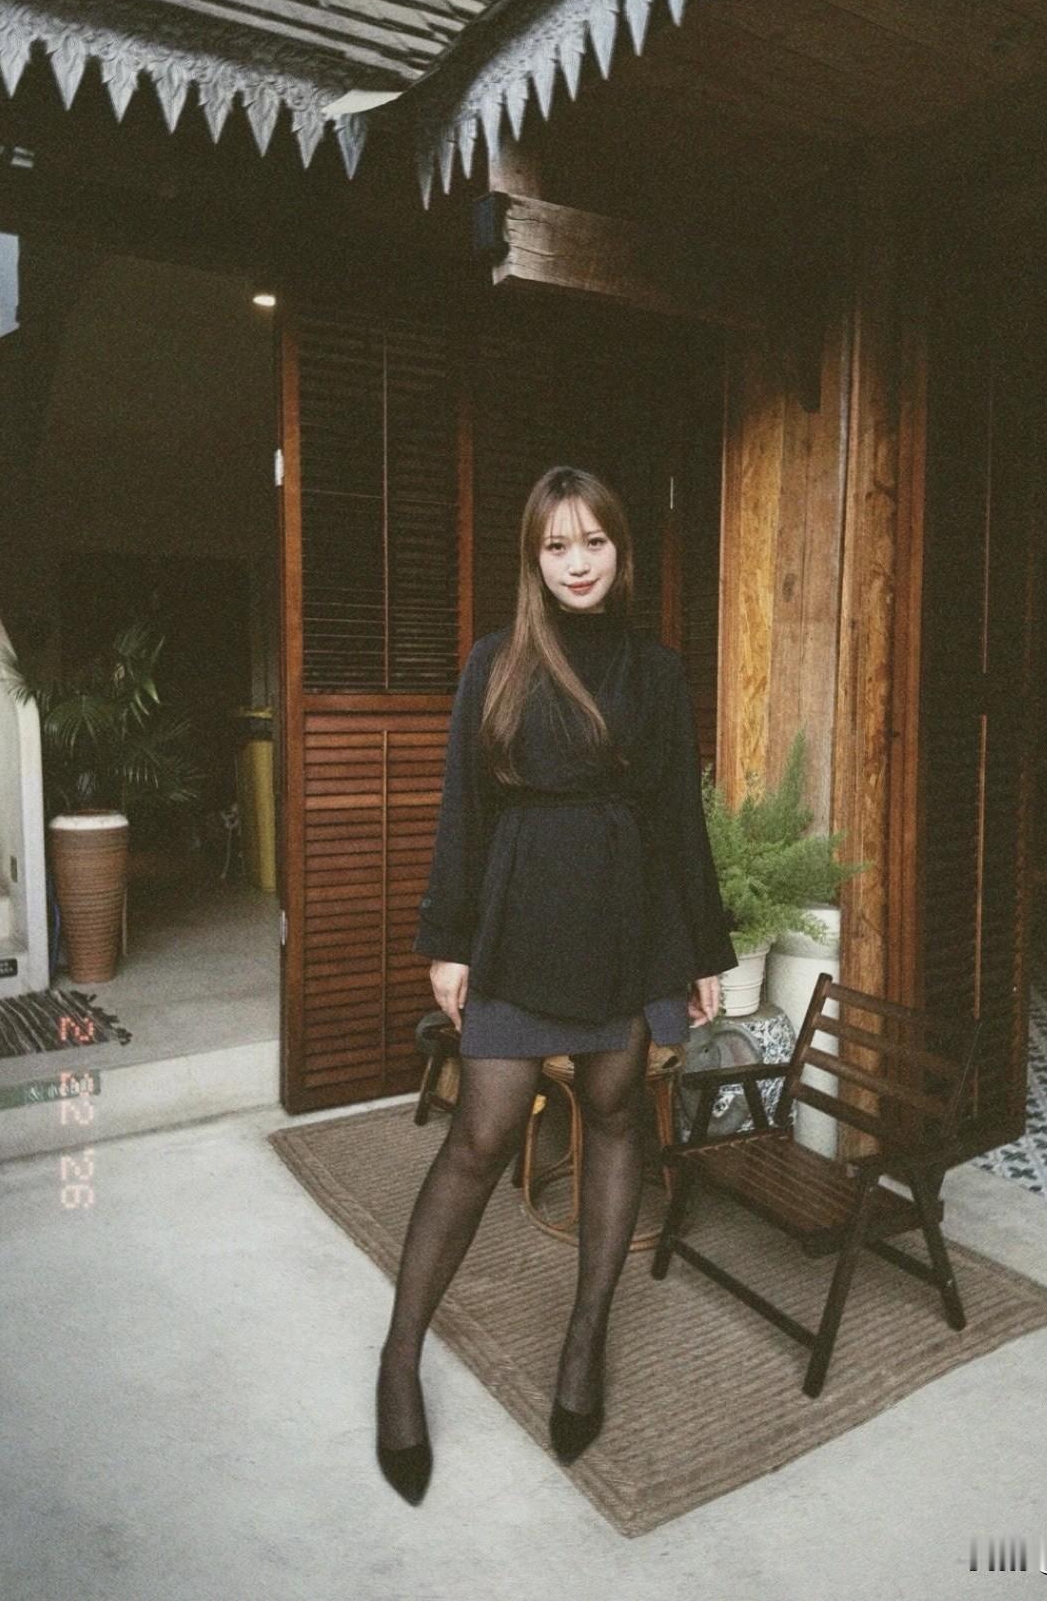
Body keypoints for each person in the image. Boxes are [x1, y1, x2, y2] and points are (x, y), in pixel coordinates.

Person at [376, 464, 739, 1504]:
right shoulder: (495, 662)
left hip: (626, 915)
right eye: (557, 546)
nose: (578, 563)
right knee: (481, 1135)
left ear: (622, 550)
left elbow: (678, 819)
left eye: (595, 542)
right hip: (522, 909)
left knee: (617, 1116)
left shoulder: (655, 671)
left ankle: (584, 1339)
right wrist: (448, 941)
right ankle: (399, 1358)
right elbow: (464, 806)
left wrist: (703, 950)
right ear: (533, 558)